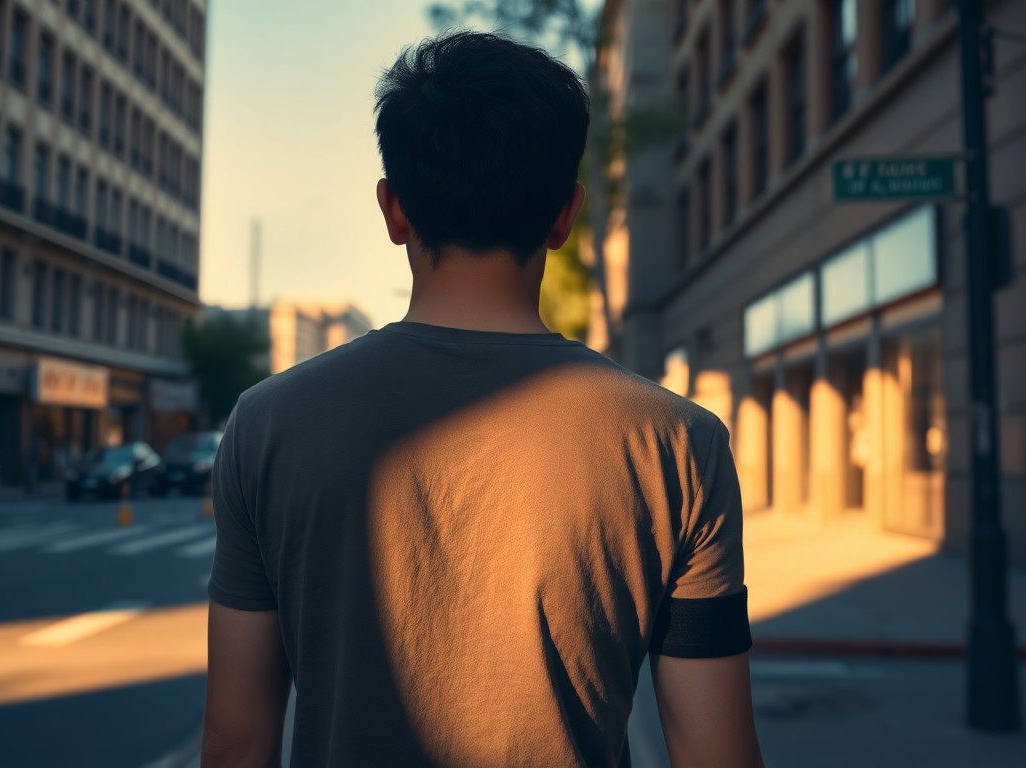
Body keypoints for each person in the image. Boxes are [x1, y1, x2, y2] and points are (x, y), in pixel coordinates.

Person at [204, 31, 764, 767]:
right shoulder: (680, 443)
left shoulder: (265, 426)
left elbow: (237, 744)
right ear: (565, 215)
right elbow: (717, 754)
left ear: (393, 210)